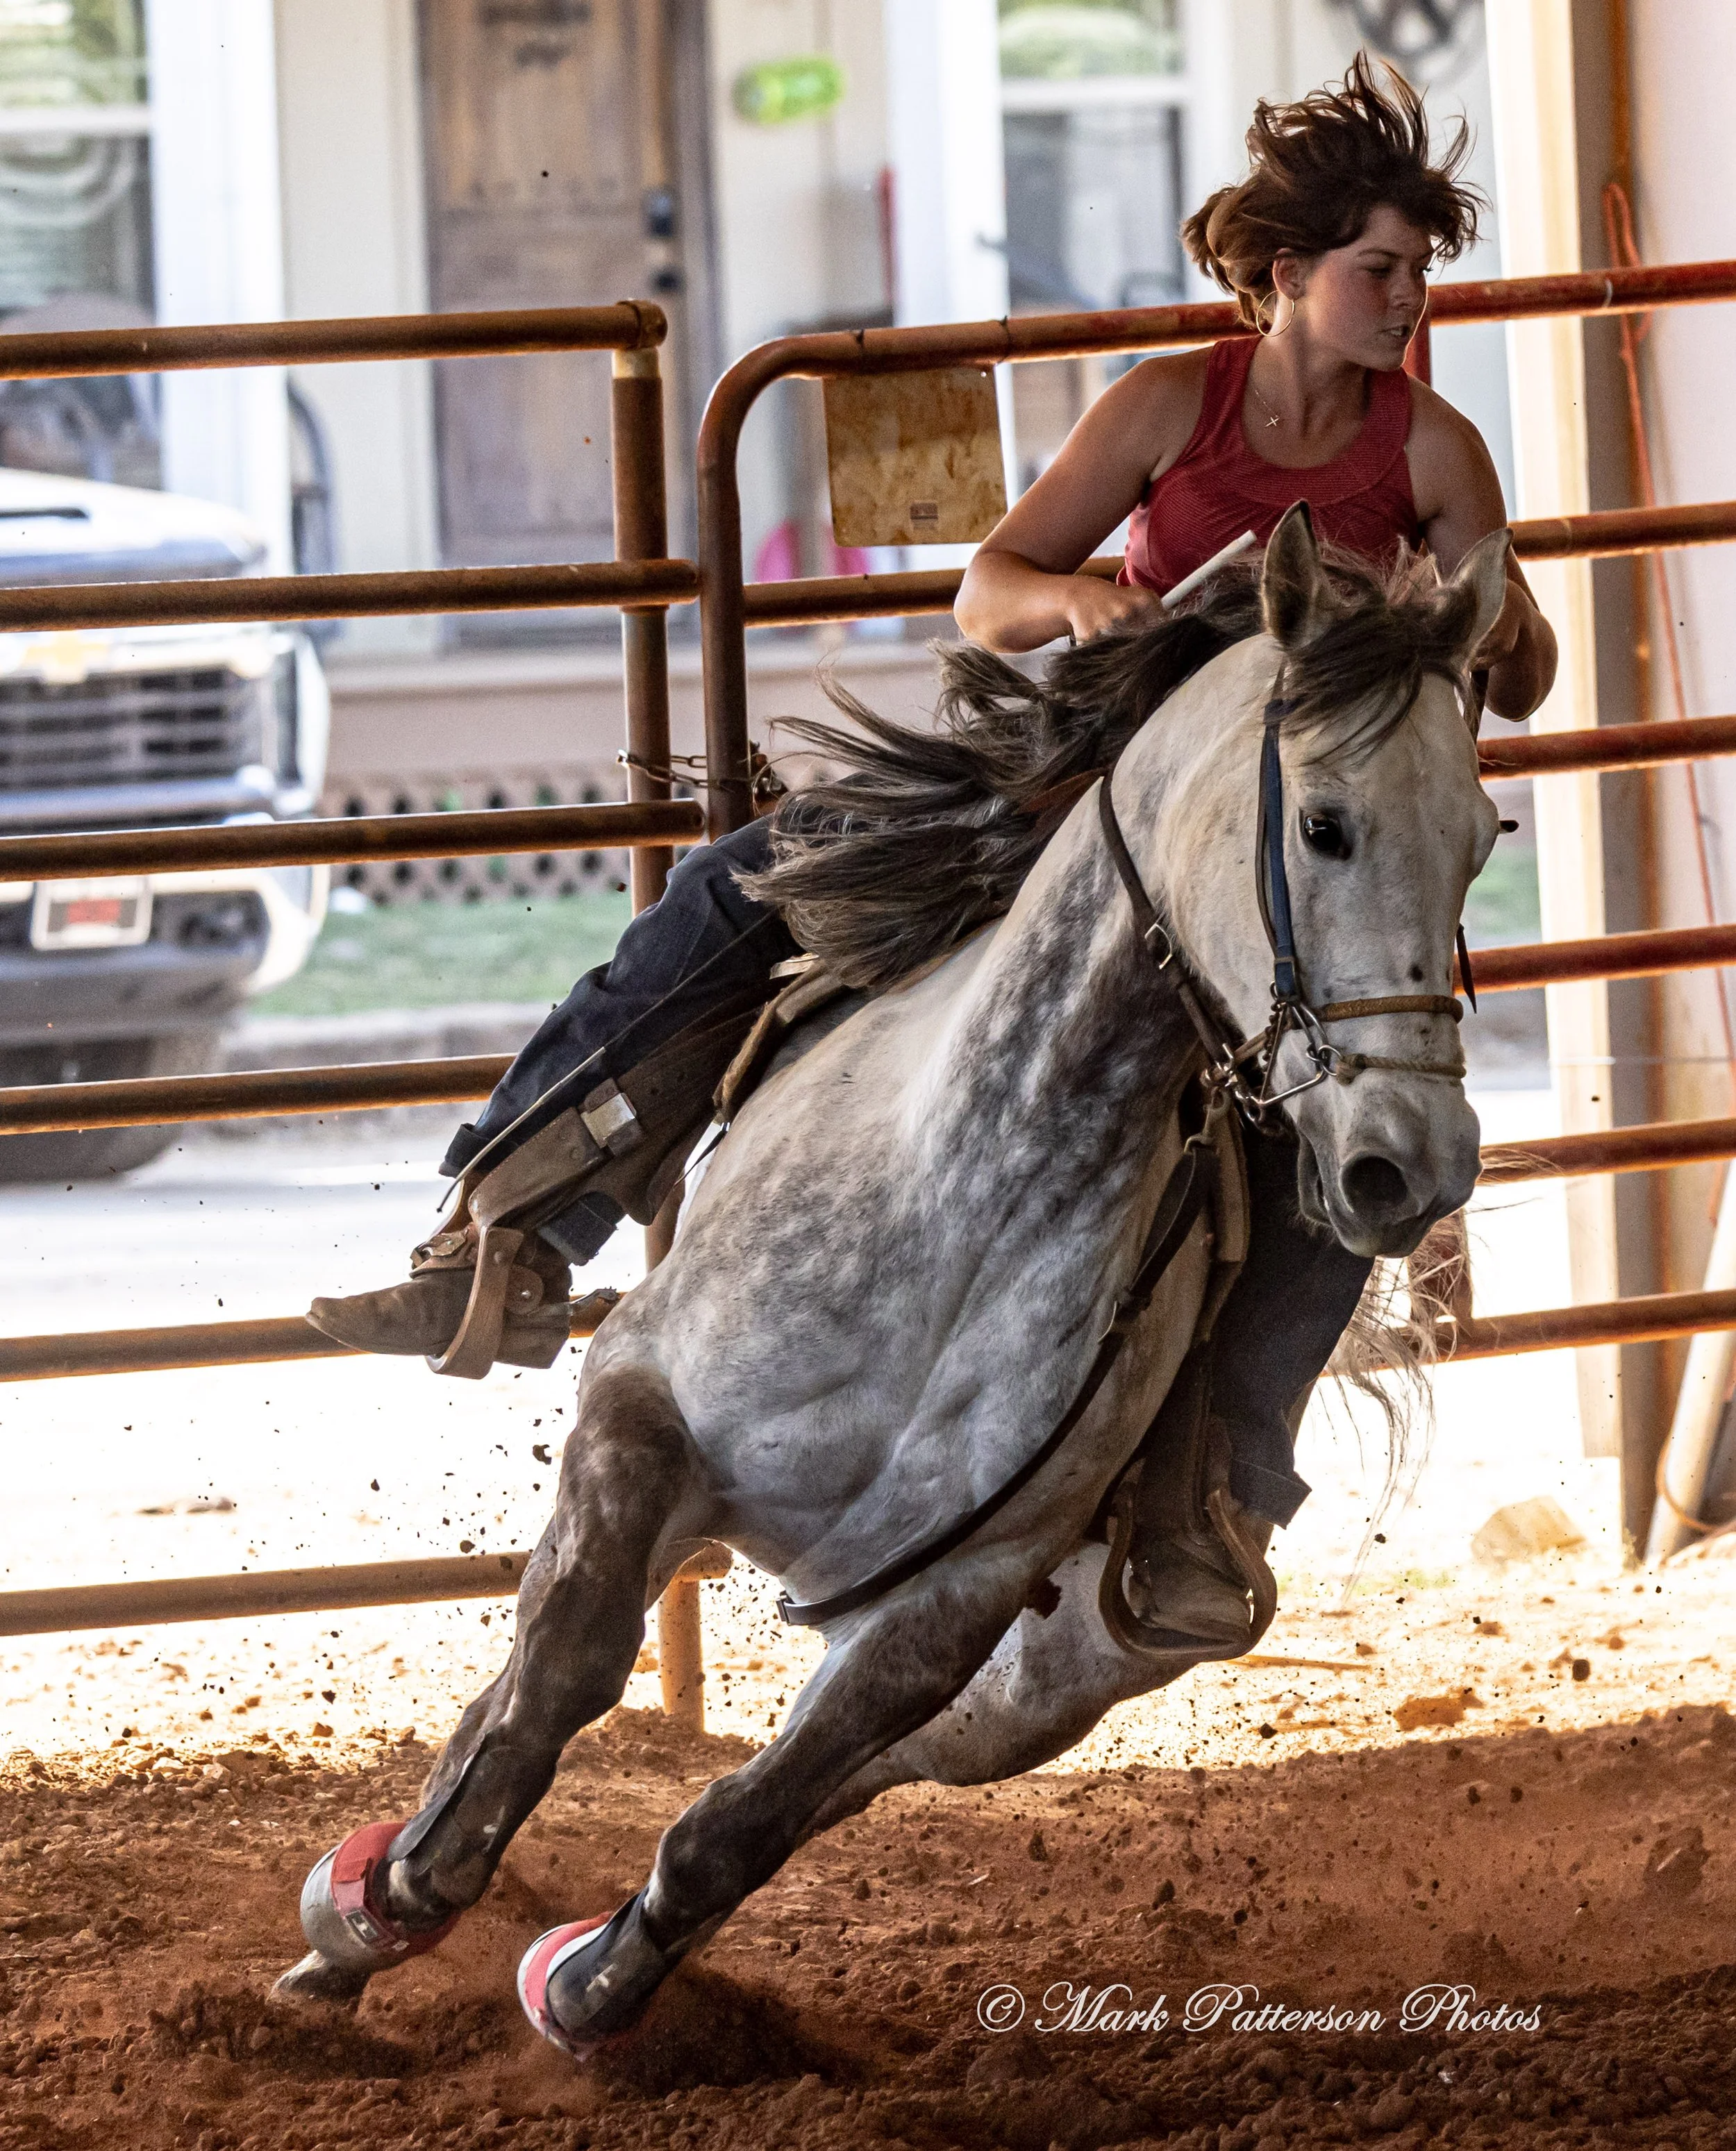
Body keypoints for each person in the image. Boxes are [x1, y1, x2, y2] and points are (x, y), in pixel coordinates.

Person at [310, 55, 1555, 1650]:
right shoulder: (1165, 406)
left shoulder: (1432, 450)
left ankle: (1214, 1491)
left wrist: (1474, 616)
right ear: (1285, 274)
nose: (1405, 300)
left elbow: (1524, 673)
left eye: (1416, 272)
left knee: (1334, 1134)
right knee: (752, 881)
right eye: (1379, 270)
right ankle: (513, 1226)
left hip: (1286, 875)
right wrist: (1086, 602)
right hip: (1096, 792)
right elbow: (989, 587)